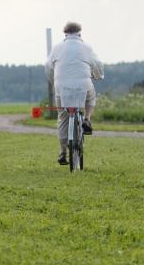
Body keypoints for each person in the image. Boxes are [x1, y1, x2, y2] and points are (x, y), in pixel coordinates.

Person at [45, 21, 104, 166]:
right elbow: (97, 65)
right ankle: (87, 119)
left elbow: (48, 67)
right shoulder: (86, 47)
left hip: (61, 87)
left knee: (63, 117)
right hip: (83, 85)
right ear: (79, 33)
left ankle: (62, 152)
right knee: (91, 98)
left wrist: (54, 81)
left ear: (65, 34)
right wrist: (98, 75)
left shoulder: (57, 48)